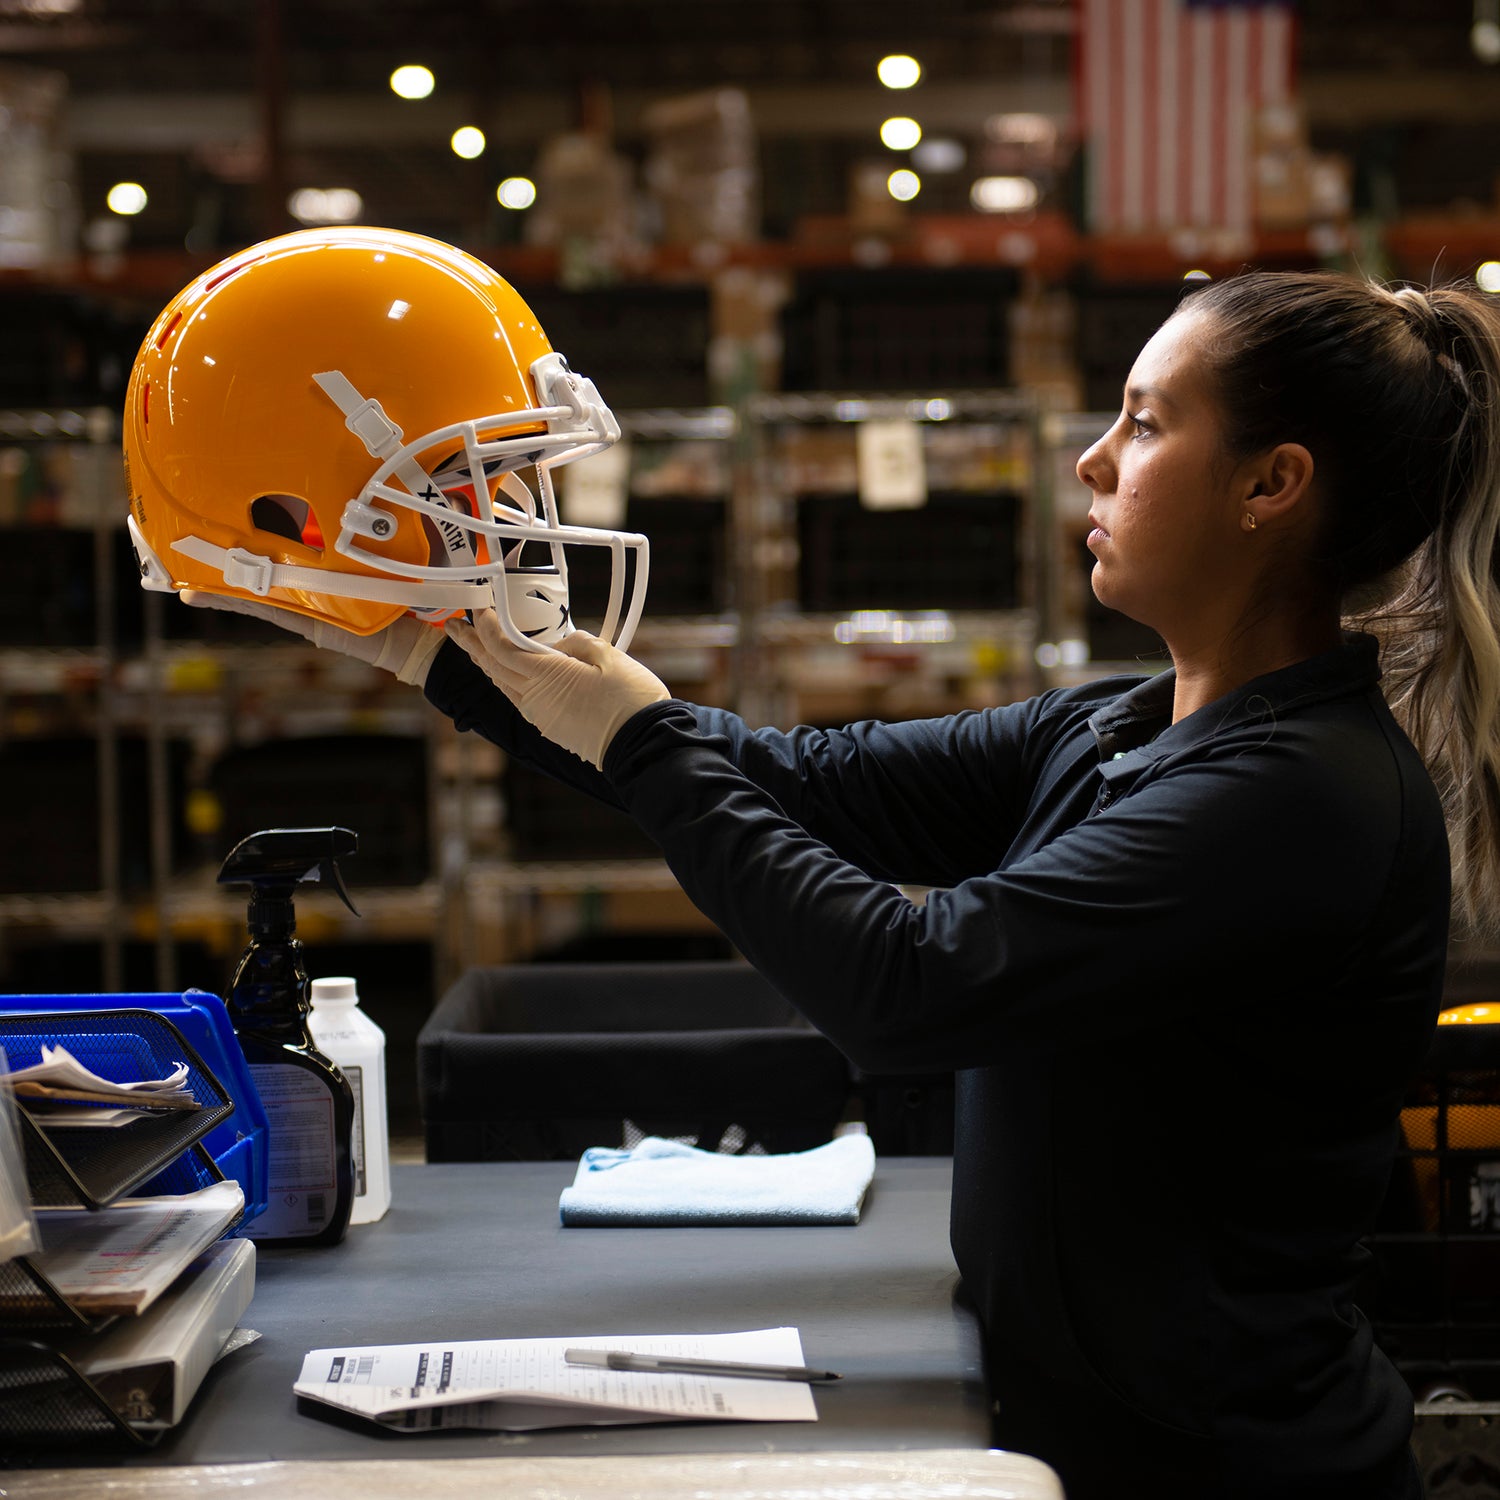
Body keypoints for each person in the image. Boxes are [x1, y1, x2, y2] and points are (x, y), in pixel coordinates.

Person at [177, 268, 1500, 1499]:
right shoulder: (1121, 726)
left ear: (1271, 484)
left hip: (1226, 1473)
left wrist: (641, 741)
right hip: (1091, 1428)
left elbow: (911, 986)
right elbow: (794, 782)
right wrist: (448, 657)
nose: (1093, 458)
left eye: (1146, 425)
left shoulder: (1301, 795)